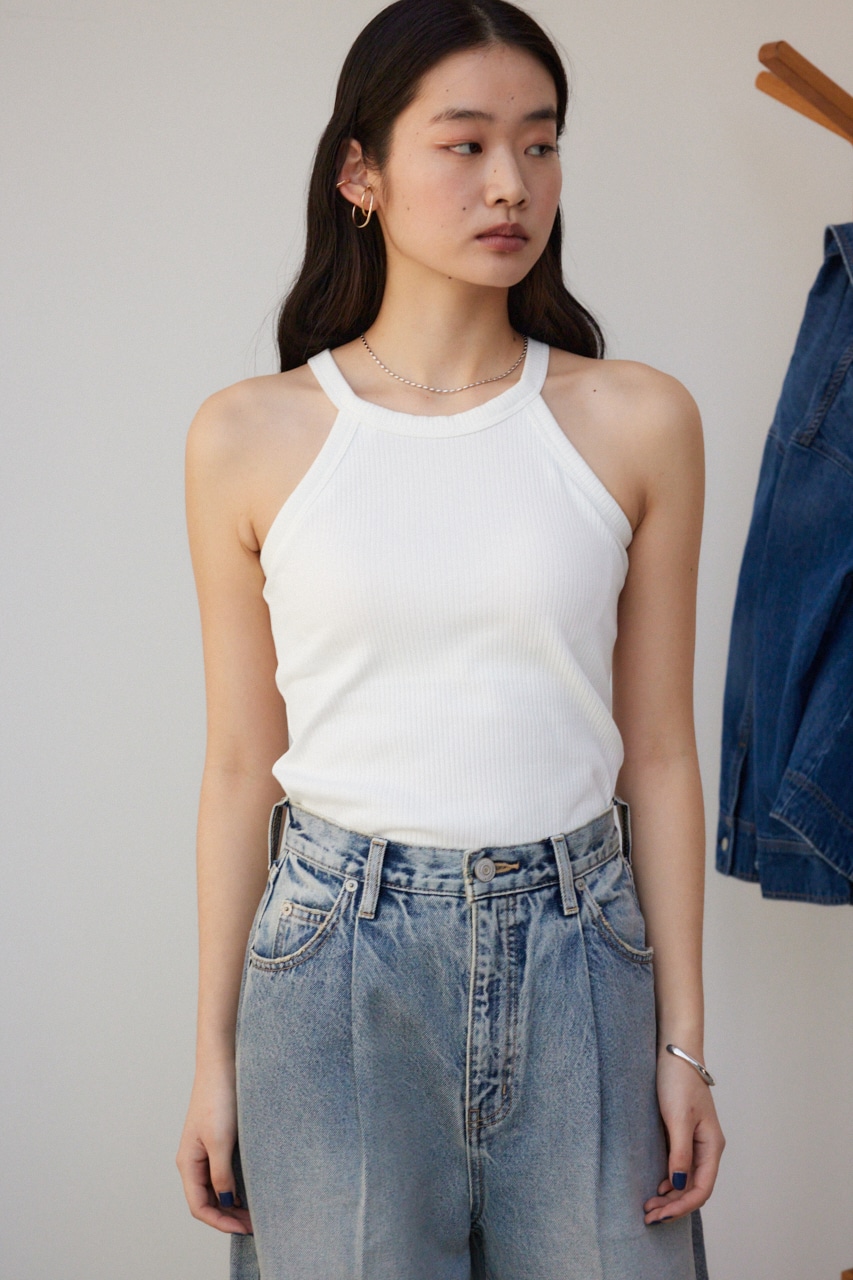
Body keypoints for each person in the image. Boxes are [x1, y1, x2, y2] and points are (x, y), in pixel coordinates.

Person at [176, 1, 726, 1276]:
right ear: (358, 172)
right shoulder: (246, 435)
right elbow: (239, 764)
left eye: (539, 143)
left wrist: (685, 1043)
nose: (511, 184)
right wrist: (211, 1057)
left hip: (583, 951)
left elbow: (657, 750)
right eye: (465, 143)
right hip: (331, 961)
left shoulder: (637, 418)